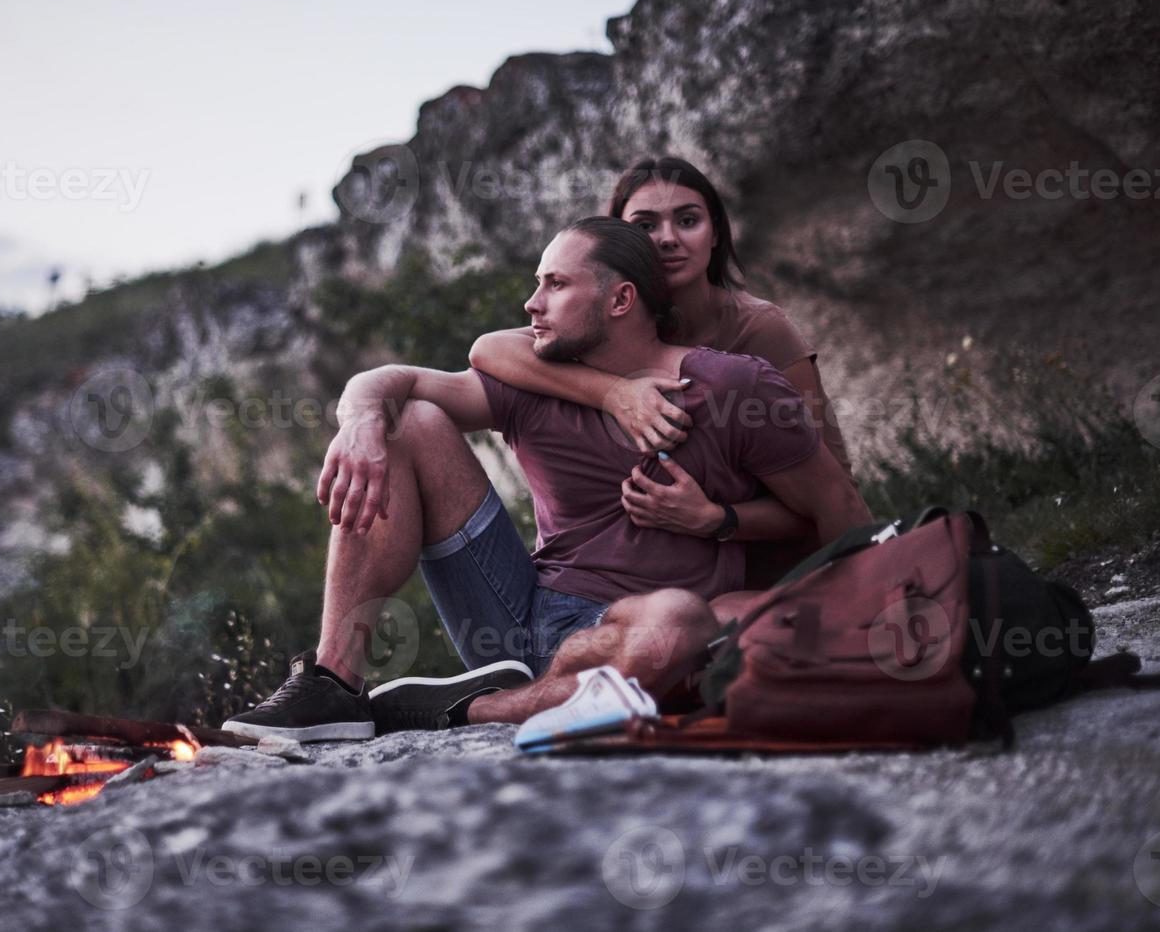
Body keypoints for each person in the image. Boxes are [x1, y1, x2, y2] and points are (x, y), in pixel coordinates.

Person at [221, 217, 871, 742]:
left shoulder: (732, 387)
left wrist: (863, 635)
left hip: (645, 631)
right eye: (537, 283)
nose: (532, 303)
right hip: (519, 619)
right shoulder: (535, 374)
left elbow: (836, 506)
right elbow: (401, 382)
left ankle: (471, 710)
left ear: (620, 299)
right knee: (408, 421)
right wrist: (361, 421)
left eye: (555, 284)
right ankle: (333, 683)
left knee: (679, 622)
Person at [469, 156, 855, 587]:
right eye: (645, 225)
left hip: (769, 580)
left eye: (688, 220)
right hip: (642, 587)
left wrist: (717, 519)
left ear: (715, 235)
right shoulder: (599, 323)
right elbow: (492, 349)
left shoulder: (760, 332)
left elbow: (834, 493)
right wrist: (614, 392)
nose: (667, 239)